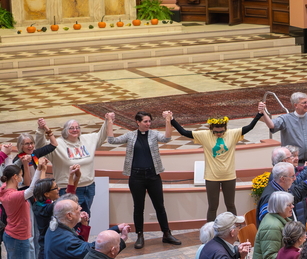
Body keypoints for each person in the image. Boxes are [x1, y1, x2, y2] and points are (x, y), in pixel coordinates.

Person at [170, 104, 267, 220]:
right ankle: (210, 229)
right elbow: (184, 132)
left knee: (230, 205)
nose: (219, 134)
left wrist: (259, 114)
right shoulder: (204, 135)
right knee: (212, 207)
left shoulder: (232, 134)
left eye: (221, 131)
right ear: (211, 129)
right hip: (212, 177)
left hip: (229, 176)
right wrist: (172, 120)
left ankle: (233, 227)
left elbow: (249, 127)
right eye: (216, 132)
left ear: (225, 128)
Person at [107, 111, 178, 248]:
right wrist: (110, 122)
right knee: (138, 207)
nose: (148, 124)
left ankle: (166, 234)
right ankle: (140, 235)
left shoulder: (154, 134)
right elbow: (112, 140)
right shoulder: (130, 135)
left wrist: (168, 120)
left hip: (153, 176)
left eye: (149, 121)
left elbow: (166, 138)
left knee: (160, 206)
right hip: (136, 177)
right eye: (145, 121)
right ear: (138, 122)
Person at [36, 114, 112, 213]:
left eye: (77, 127)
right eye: (71, 128)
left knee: (85, 216)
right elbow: (40, 147)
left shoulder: (88, 139)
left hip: (88, 187)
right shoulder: (57, 144)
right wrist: (41, 130)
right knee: (69, 216)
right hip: (66, 189)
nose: (75, 130)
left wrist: (108, 120)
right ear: (65, 130)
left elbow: (102, 135)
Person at [0, 164, 38, 259]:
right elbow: (32, 189)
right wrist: (40, 170)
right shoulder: (14, 196)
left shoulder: (4, 189)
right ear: (15, 177)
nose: (22, 178)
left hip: (11, 236)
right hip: (18, 238)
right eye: (21, 175)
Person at [269, 91, 307, 162]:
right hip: (293, 162)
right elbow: (271, 125)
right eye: (304, 103)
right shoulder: (285, 119)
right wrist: (262, 113)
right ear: (296, 105)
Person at [252, 191, 294, 259]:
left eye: (292, 204)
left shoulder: (279, 219)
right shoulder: (272, 226)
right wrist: (294, 256)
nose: (292, 206)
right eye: (289, 205)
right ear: (280, 207)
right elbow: (270, 257)